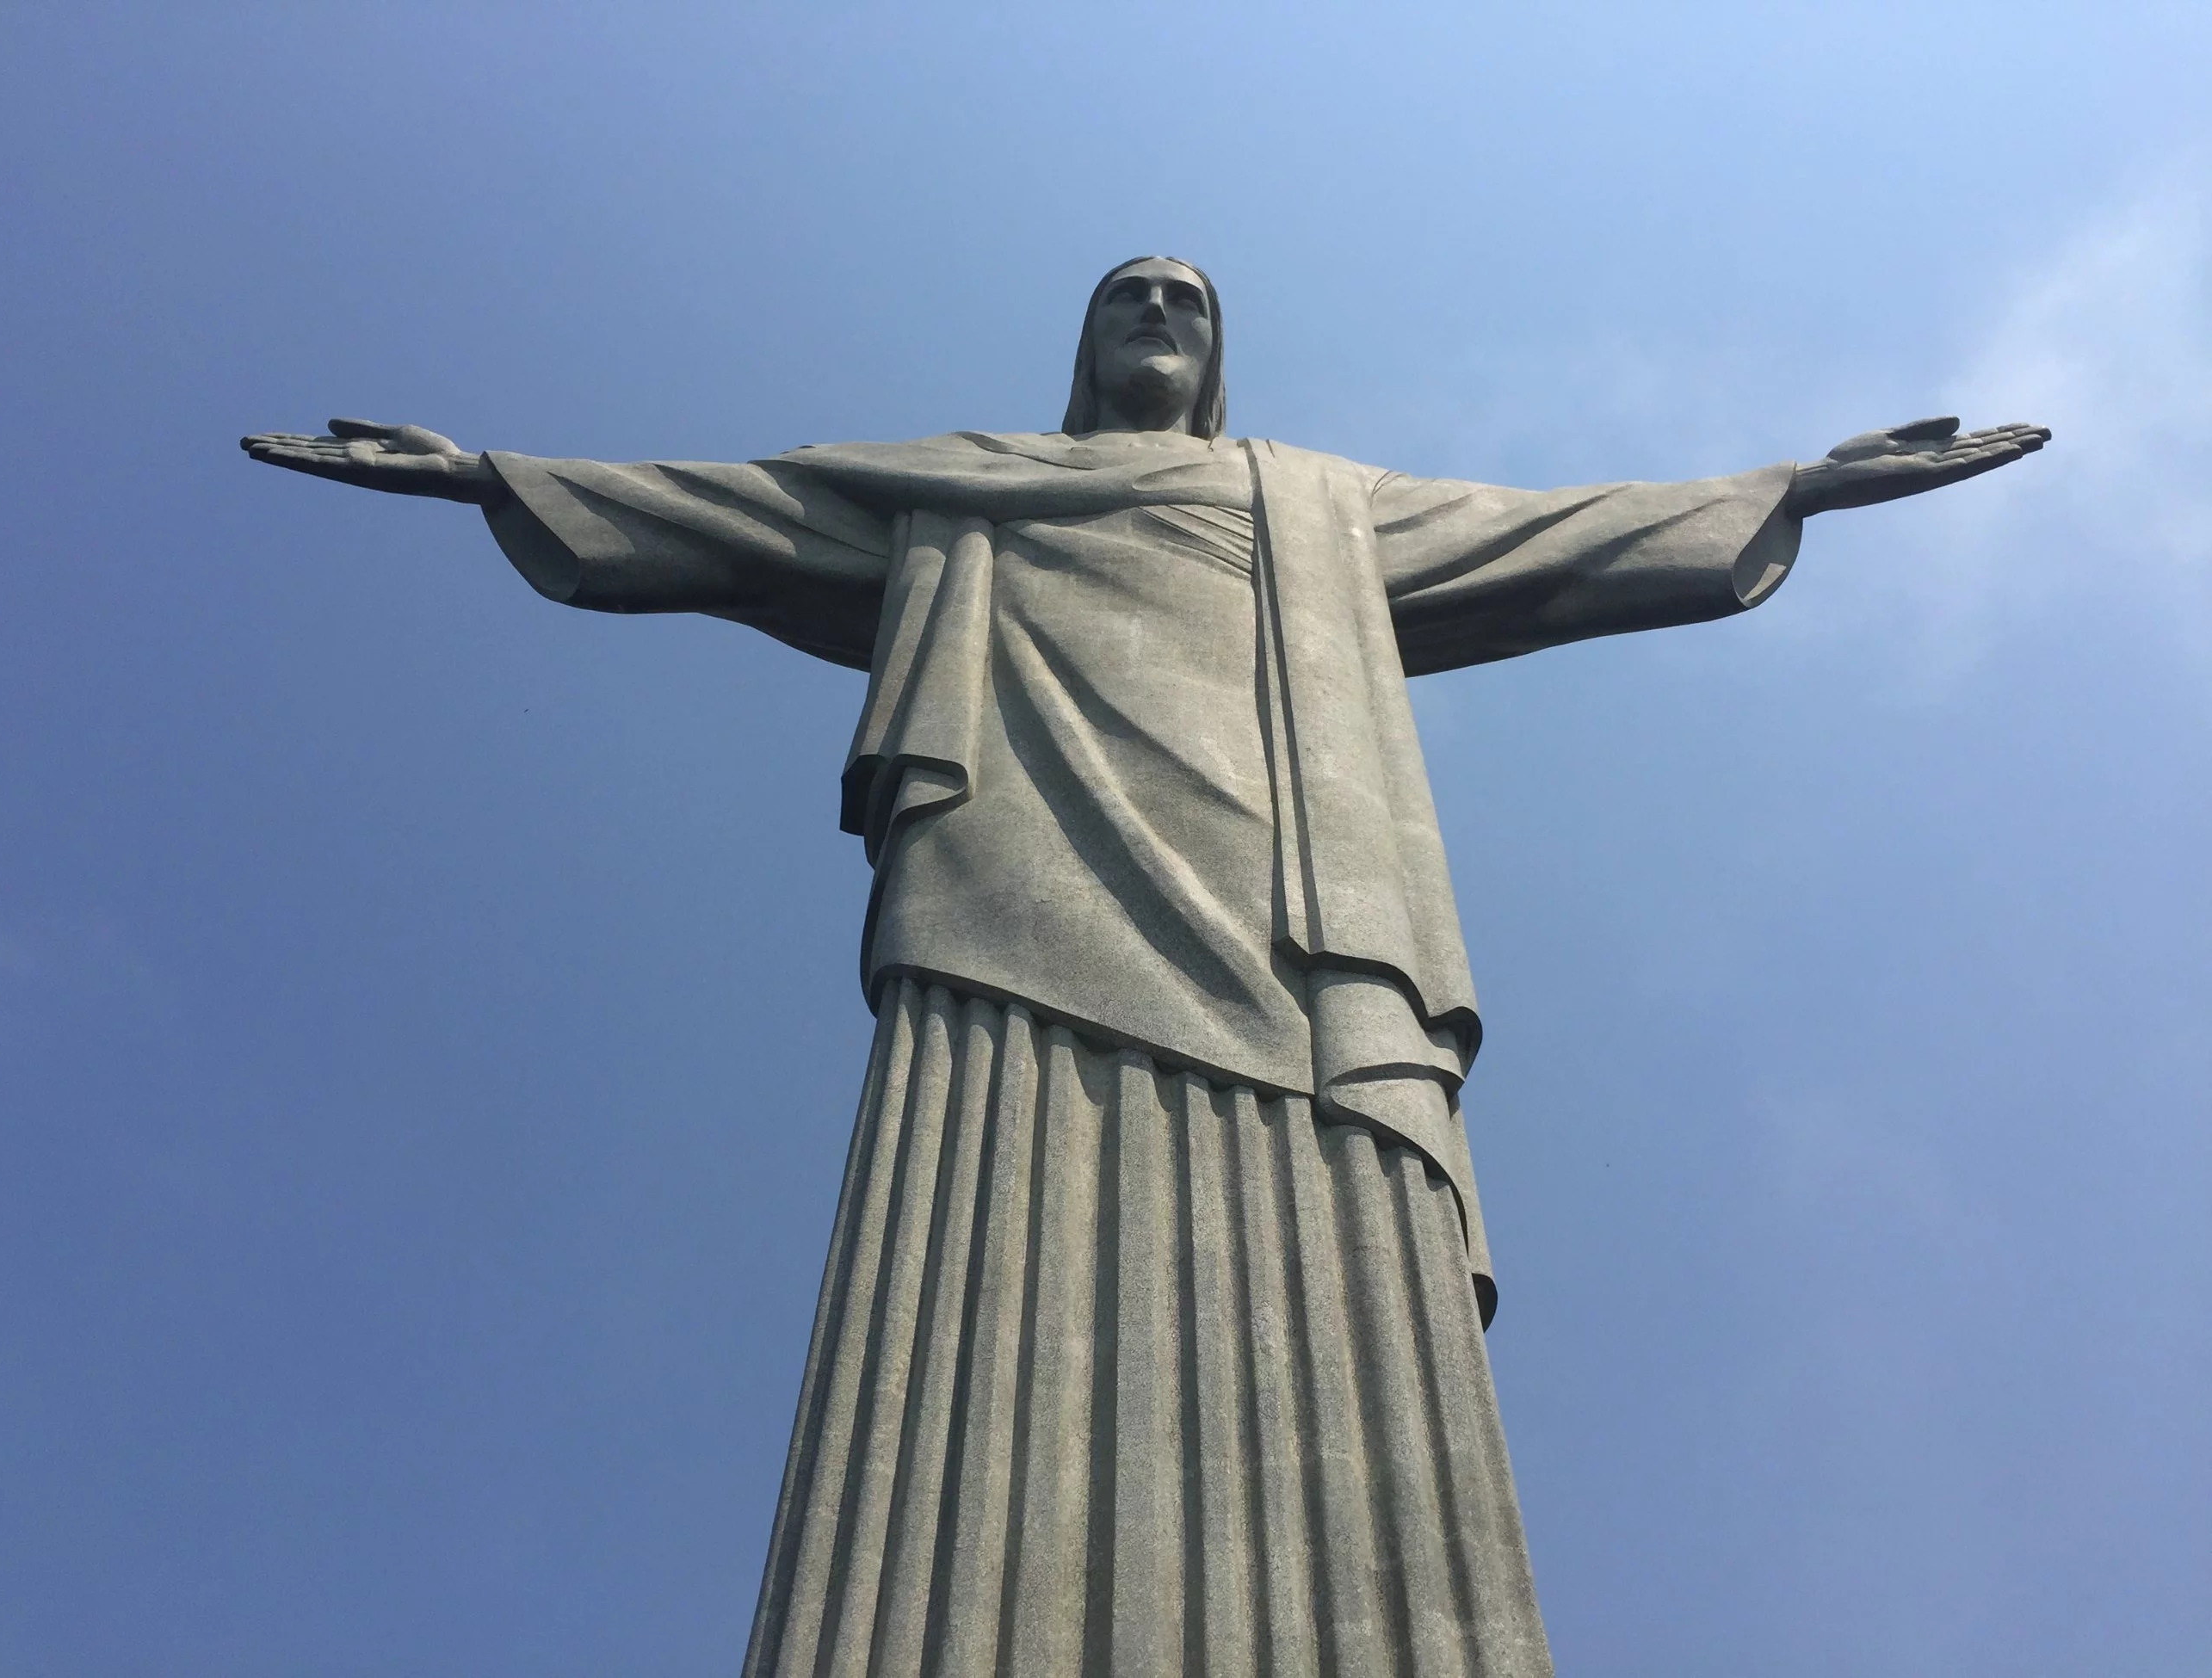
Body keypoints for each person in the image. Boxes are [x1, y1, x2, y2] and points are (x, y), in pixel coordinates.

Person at [245, 256, 2047, 1678]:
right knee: (982, 1244)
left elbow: (1546, 536)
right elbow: (725, 517)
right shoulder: (956, 489)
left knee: (1343, 1270)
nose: (1163, 316)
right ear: (1086, 342)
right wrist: (491, 475)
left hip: (1292, 918)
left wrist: (1795, 484)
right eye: (1131, 297)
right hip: (1010, 897)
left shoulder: (1312, 505)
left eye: (1190, 300)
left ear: (1219, 350)